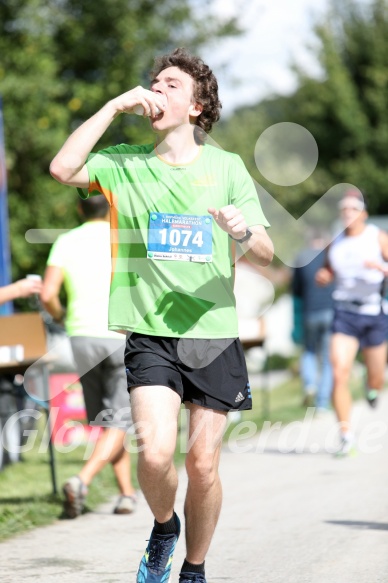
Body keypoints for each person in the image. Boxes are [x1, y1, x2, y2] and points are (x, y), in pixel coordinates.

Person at [49, 47, 274, 583]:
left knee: (203, 465)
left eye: (171, 84)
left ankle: (193, 568)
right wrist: (110, 106)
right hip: (150, 332)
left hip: (213, 334)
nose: (157, 89)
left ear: (196, 107)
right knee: (155, 454)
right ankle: (164, 526)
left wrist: (240, 229)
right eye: (153, 82)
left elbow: (264, 250)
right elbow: (62, 168)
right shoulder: (125, 163)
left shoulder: (227, 168)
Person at [41, 195, 136, 517]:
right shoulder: (123, 235)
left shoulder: (66, 241)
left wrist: (60, 315)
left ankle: (127, 494)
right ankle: (82, 480)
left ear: (80, 209)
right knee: (120, 419)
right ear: (111, 208)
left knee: (110, 421)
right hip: (120, 334)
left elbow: (48, 294)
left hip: (80, 336)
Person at [316, 189, 388, 456]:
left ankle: (372, 387)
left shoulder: (377, 237)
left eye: (352, 209)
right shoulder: (336, 244)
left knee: (377, 376)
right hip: (344, 314)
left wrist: (383, 269)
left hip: (374, 313)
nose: (346, 213)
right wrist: (324, 276)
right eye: (343, 209)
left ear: (363, 213)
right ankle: (346, 436)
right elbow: (327, 271)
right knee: (339, 372)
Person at [292, 231, 334, 413]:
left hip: (310, 312)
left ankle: (310, 383)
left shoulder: (301, 257)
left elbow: (296, 289)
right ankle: (322, 403)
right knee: (327, 359)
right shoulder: (330, 256)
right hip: (330, 312)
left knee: (309, 350)